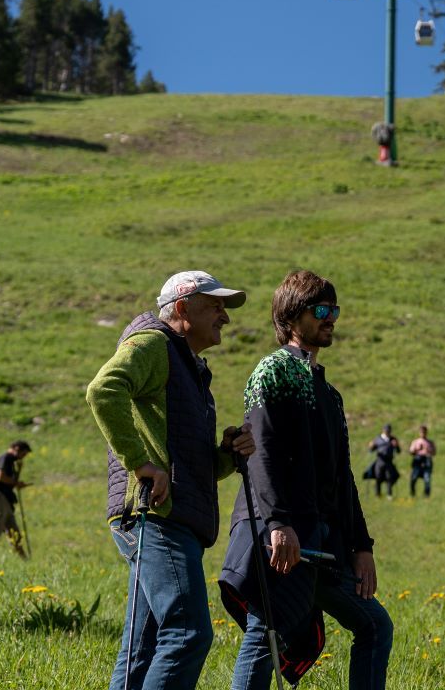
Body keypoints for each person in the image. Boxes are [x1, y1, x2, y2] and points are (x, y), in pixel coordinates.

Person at [219, 269, 392, 690]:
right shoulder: (272, 371)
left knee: (374, 625)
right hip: (282, 533)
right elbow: (261, 453)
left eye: (334, 310)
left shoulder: (329, 393)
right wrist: (278, 523)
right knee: (266, 631)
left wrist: (362, 546)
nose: (331, 319)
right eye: (321, 310)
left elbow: (342, 476)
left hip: (322, 540)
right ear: (292, 316)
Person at [86, 270, 255, 690]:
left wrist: (227, 454)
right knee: (187, 633)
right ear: (181, 307)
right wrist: (139, 463)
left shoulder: (189, 368)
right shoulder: (153, 344)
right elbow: (103, 390)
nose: (225, 317)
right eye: (214, 306)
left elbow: (190, 465)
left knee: (141, 649)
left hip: (169, 516)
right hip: (156, 516)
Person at [0, 440, 31, 558]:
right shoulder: (6, 457)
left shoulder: (12, 462)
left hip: (5, 498)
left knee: (13, 530)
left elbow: (9, 480)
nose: (23, 457)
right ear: (16, 449)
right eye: (23, 454)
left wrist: (18, 476)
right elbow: (0, 476)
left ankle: (25, 560)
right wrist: (15, 483)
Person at [366, 425, 401, 498]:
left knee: (389, 477)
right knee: (378, 477)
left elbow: (398, 451)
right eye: (386, 430)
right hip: (380, 461)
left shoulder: (393, 439)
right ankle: (378, 494)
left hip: (389, 462)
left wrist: (396, 445)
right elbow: (371, 450)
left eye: (388, 430)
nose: (387, 432)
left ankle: (389, 494)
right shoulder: (378, 439)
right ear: (383, 430)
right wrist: (371, 446)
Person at [408, 425, 437, 498]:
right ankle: (412, 493)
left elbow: (434, 453)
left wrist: (428, 451)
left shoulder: (430, 442)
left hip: (427, 462)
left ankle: (426, 495)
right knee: (413, 478)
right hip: (417, 461)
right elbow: (411, 452)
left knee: (427, 479)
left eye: (424, 432)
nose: (423, 433)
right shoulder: (415, 442)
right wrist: (417, 450)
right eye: (421, 432)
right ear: (419, 433)